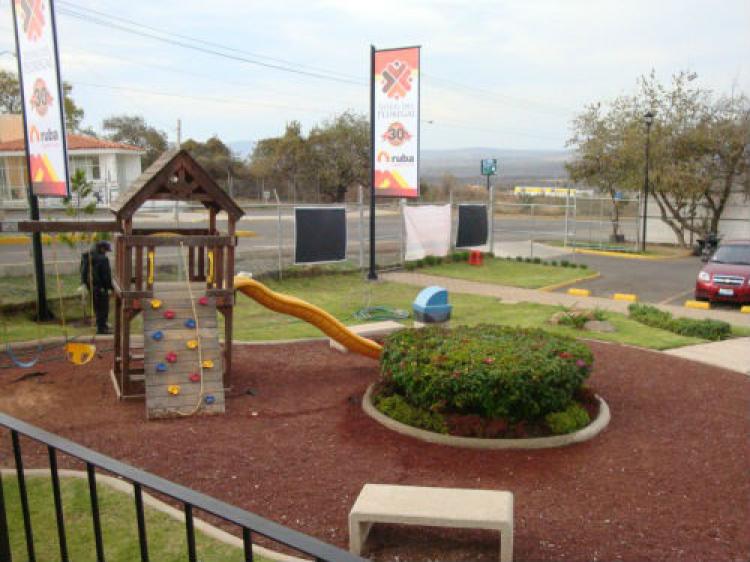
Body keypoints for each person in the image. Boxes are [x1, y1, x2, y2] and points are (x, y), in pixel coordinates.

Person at [87, 240, 114, 334]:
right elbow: (106, 276)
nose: (106, 252)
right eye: (106, 250)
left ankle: (102, 325)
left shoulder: (91, 256)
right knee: (103, 308)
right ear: (102, 248)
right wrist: (110, 287)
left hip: (93, 287)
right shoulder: (103, 259)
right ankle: (101, 329)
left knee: (97, 308)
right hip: (102, 287)